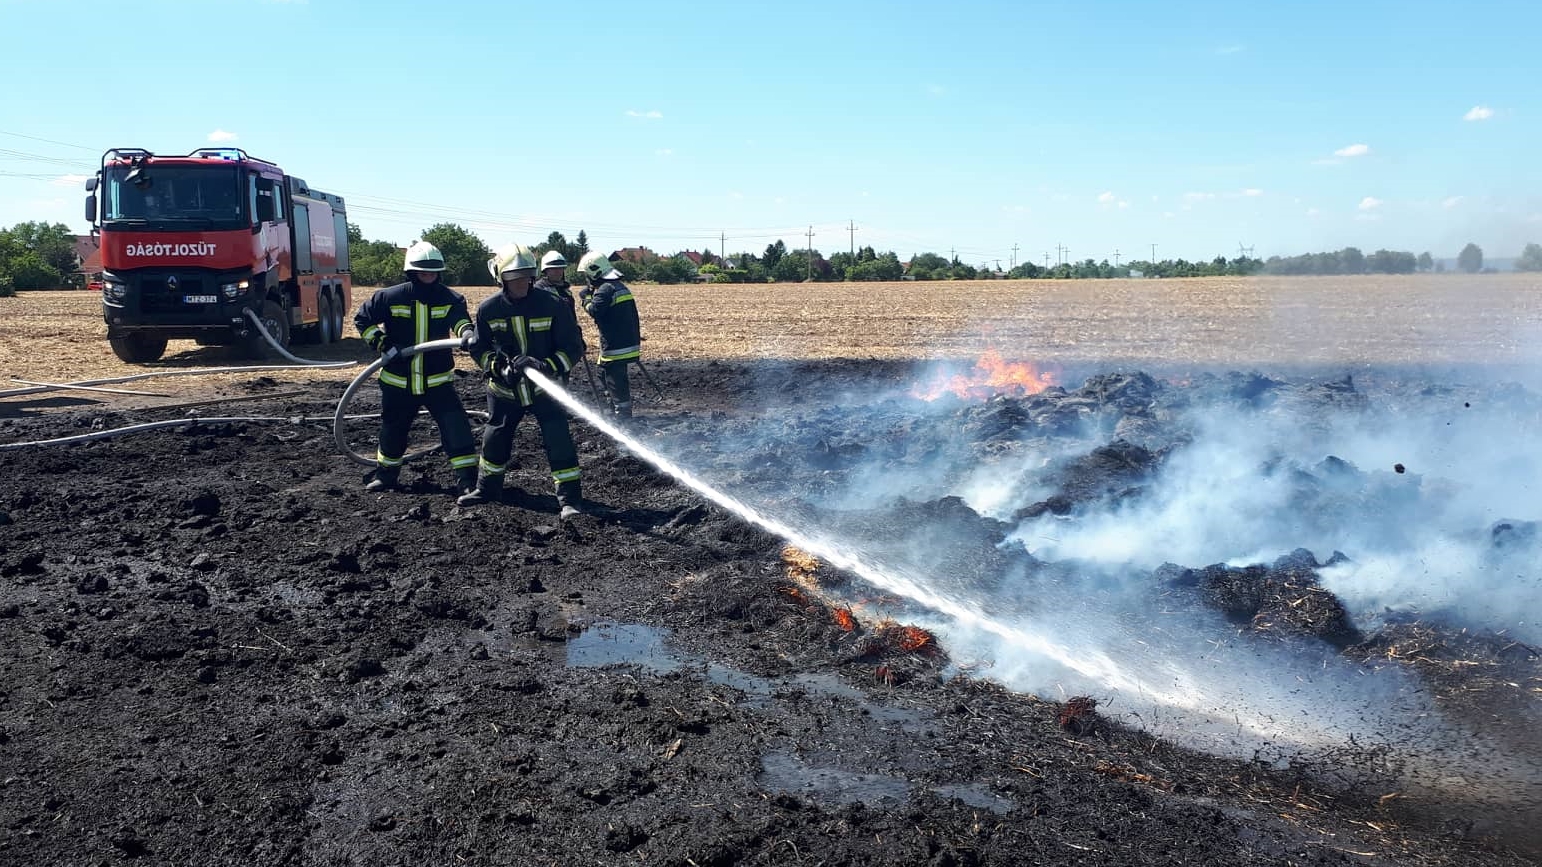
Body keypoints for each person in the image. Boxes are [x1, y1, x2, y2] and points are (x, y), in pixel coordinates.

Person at [458, 243, 586, 516]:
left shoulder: (554, 304)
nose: (521, 283)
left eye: (526, 276)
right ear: (501, 278)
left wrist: (546, 365)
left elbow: (573, 348)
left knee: (558, 440)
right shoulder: (488, 309)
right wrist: (496, 367)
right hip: (505, 391)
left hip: (545, 390)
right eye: (514, 277)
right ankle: (487, 488)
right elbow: (480, 348)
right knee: (495, 438)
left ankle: (570, 500)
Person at [353, 240, 479, 496]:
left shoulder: (451, 298)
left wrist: (466, 332)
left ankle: (467, 479)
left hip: (437, 382)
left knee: (456, 428)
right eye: (423, 272)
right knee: (393, 429)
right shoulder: (389, 297)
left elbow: (460, 320)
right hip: (398, 381)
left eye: (433, 272)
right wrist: (382, 343)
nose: (429, 277)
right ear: (411, 272)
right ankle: (386, 475)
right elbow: (362, 320)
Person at [577, 251, 642, 419]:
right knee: (602, 372)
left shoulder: (605, 289)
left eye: (587, 275)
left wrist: (585, 299)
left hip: (615, 346)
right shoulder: (619, 286)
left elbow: (595, 311)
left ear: (594, 272)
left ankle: (622, 415)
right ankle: (614, 406)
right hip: (627, 342)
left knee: (614, 377)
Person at [533, 250, 586, 386]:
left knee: (563, 374)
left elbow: (571, 316)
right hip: (547, 341)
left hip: (565, 341)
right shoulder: (538, 290)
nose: (558, 272)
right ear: (545, 270)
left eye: (560, 269)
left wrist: (577, 336)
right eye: (554, 269)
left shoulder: (565, 290)